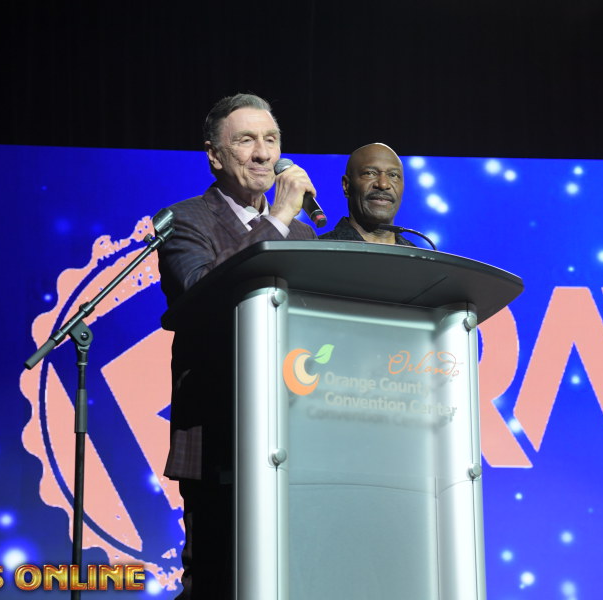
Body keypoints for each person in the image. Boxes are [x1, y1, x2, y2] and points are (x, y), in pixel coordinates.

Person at [157, 93, 317, 599]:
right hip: (219, 435)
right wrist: (279, 218)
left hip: (297, 440)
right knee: (216, 581)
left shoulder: (305, 238)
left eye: (271, 140)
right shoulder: (186, 220)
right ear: (214, 156)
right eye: (246, 140)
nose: (263, 153)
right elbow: (202, 294)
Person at [318, 142, 415, 246]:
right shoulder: (318, 251)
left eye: (393, 175)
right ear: (346, 185)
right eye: (369, 173)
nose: (383, 184)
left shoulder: (417, 255)